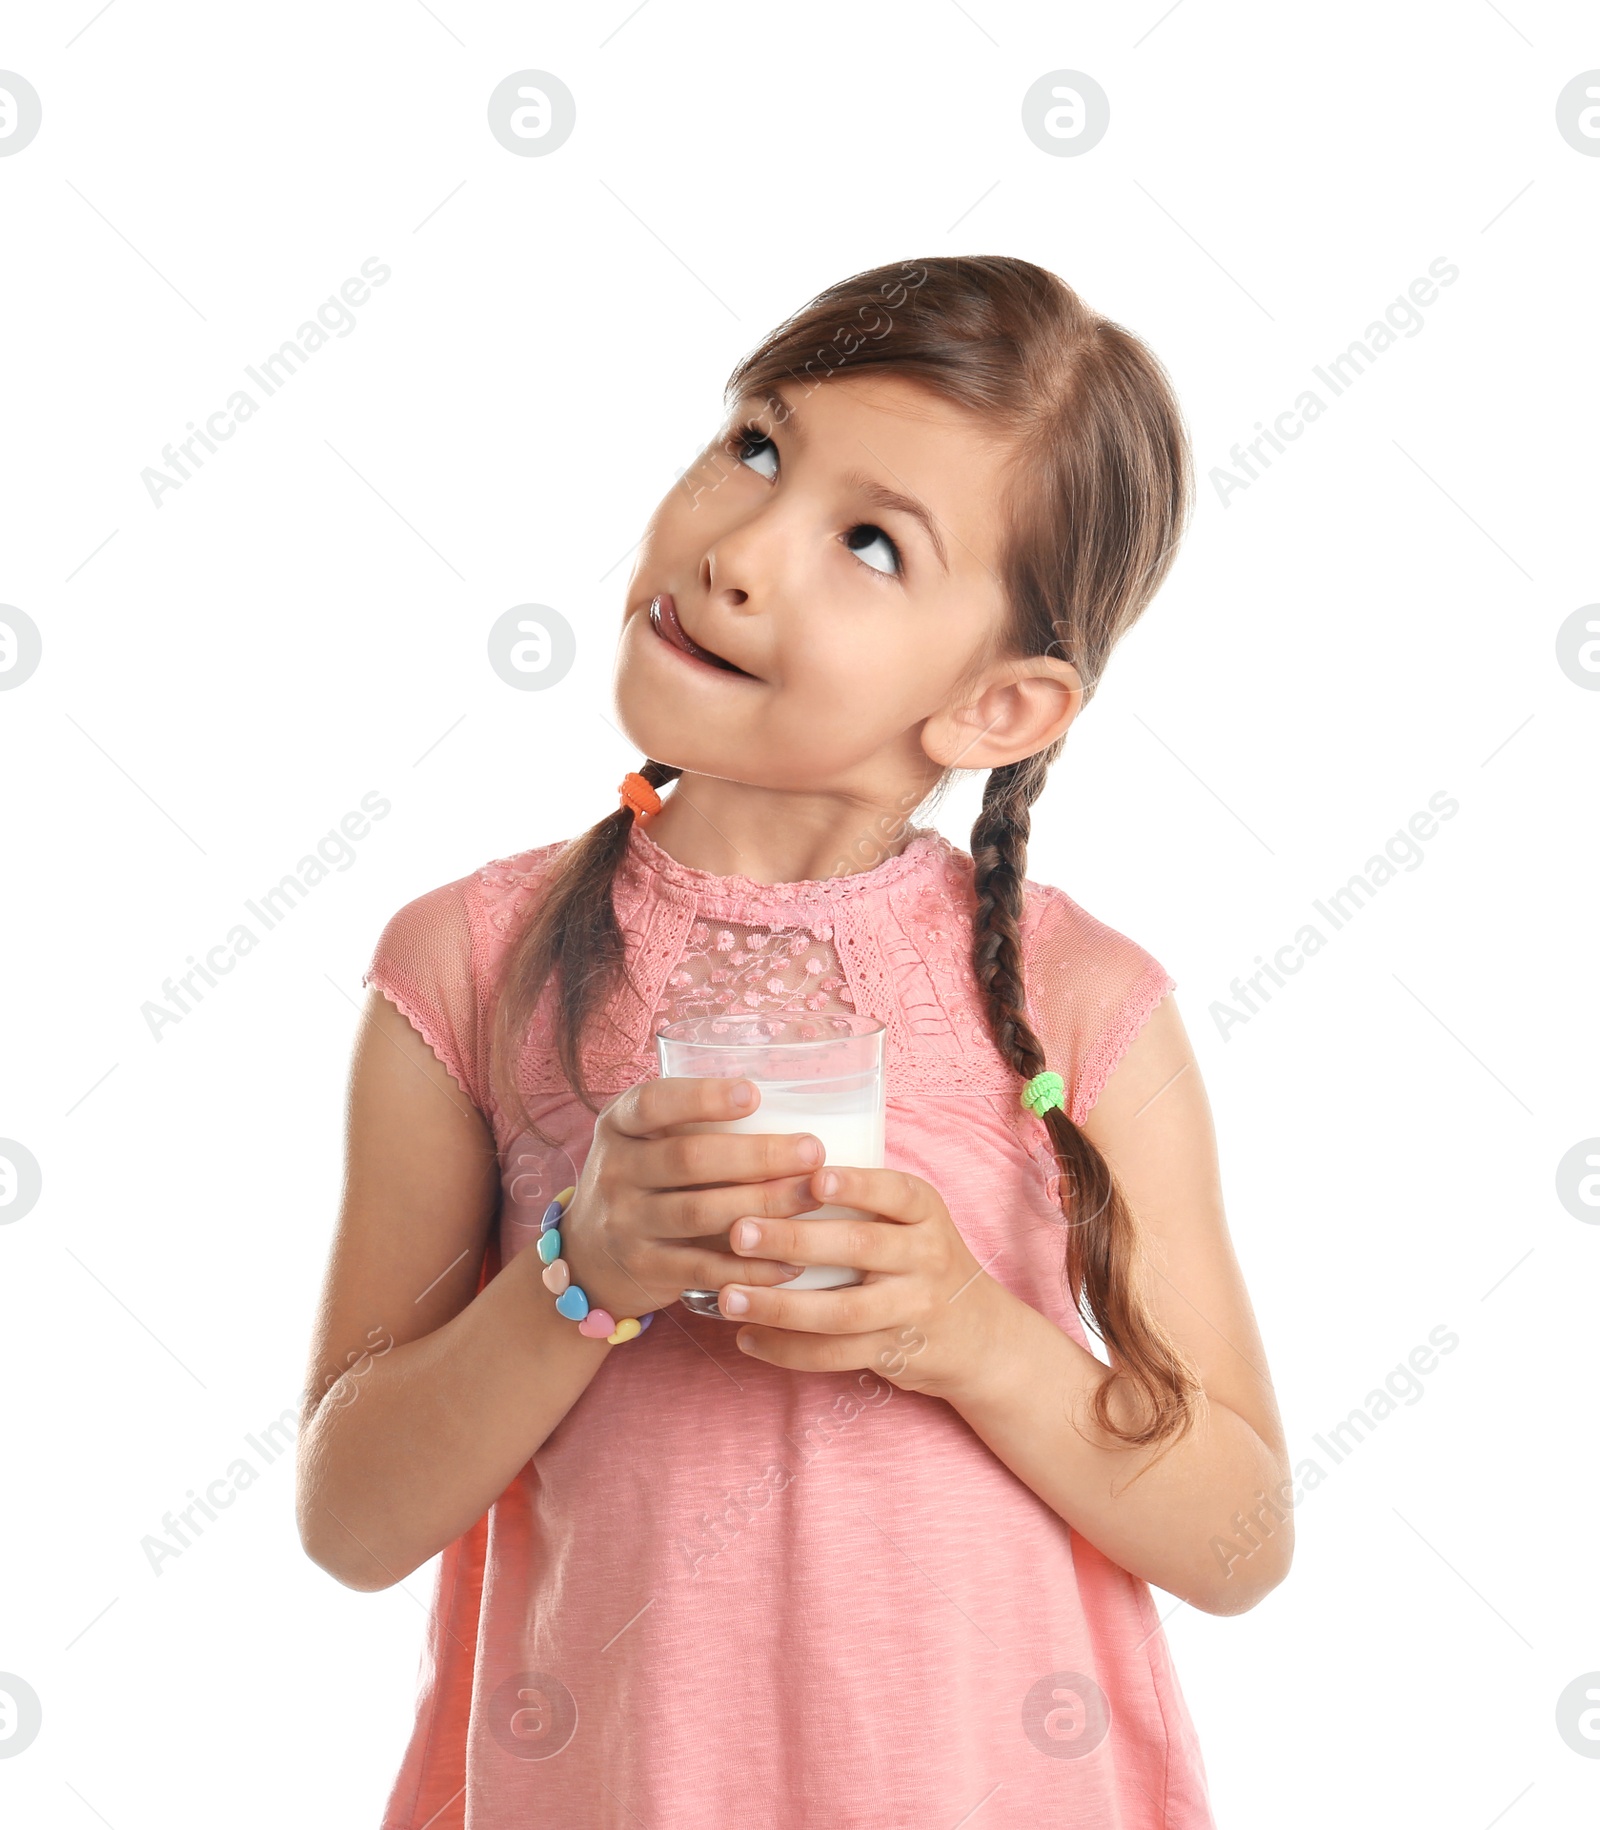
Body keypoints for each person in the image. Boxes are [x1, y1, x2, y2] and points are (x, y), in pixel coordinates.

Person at [295, 254, 1291, 1828]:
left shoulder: (1086, 1003)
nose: (742, 548)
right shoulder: (470, 966)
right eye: (757, 444)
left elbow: (1241, 1537)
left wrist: (968, 1334)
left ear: (1003, 707)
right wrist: (579, 1271)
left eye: (873, 543)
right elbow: (350, 1515)